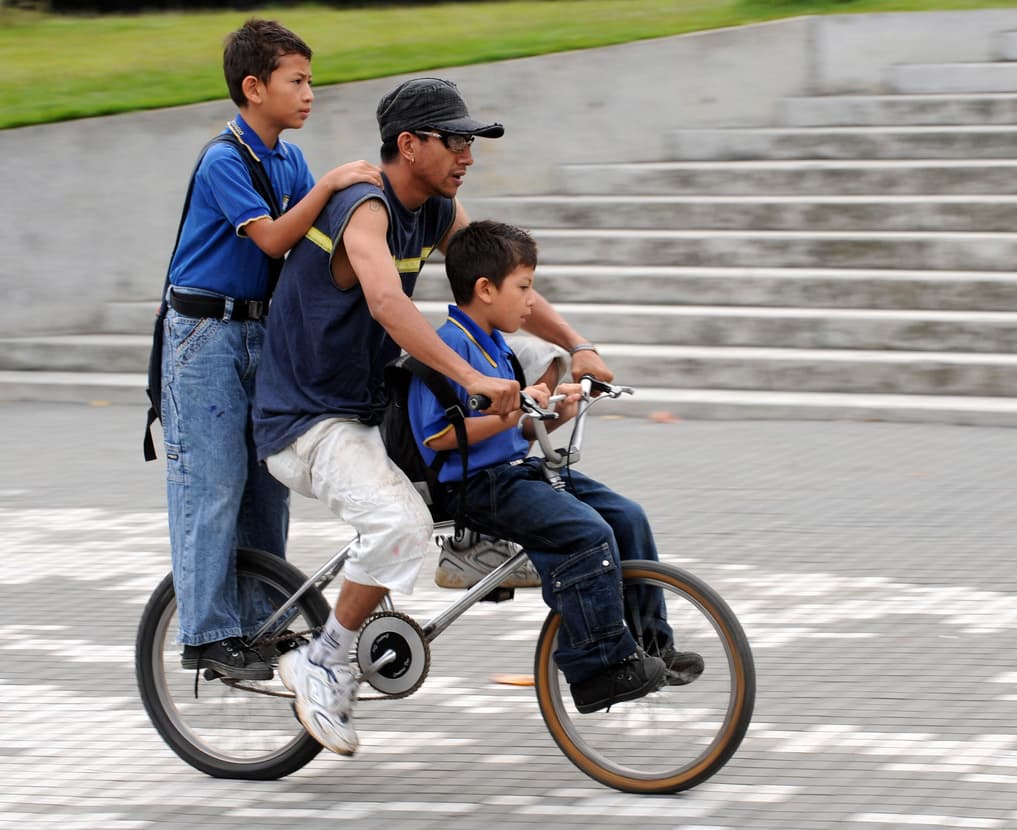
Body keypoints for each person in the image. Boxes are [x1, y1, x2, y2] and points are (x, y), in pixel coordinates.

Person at [252, 77, 525, 757]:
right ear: (410, 145)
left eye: (471, 141)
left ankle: (464, 543)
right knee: (399, 523)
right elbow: (387, 304)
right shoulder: (363, 205)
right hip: (306, 420)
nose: (468, 154)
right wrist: (472, 377)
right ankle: (323, 658)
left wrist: (577, 345)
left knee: (468, 457)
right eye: (455, 141)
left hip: (366, 406)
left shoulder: (435, 209)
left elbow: (501, 273)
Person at [409, 220, 704, 718]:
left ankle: (652, 646)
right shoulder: (449, 348)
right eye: (523, 287)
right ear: (485, 290)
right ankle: (597, 668)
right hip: (473, 485)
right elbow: (436, 436)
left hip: (514, 470)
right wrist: (513, 410)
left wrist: (554, 411)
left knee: (626, 517)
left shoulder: (497, 345)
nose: (531, 302)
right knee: (586, 533)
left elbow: (514, 428)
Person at [163, 18, 383, 681]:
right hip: (205, 337)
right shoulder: (225, 159)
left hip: (262, 332)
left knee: (268, 490)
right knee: (214, 488)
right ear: (254, 88)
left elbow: (314, 246)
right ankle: (207, 634)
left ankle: (258, 628)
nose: (310, 93)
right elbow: (272, 240)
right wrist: (334, 183)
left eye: (311, 80)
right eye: (298, 81)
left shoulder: (288, 159)